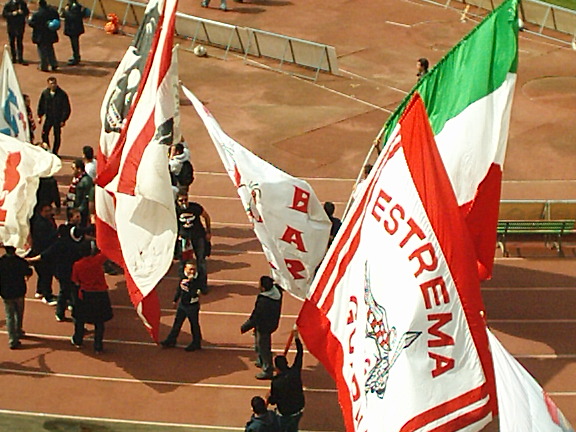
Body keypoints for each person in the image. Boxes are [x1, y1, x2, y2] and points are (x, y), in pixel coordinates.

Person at [71, 241, 113, 353]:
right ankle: (98, 346)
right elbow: (107, 252)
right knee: (99, 322)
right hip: (100, 294)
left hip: (85, 294)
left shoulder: (77, 265)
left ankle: (78, 340)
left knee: (80, 319)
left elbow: (75, 281)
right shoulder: (97, 261)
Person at [241, 276, 283, 380]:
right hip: (271, 322)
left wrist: (245, 327)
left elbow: (256, 316)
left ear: (263, 288)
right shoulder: (277, 293)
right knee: (259, 343)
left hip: (264, 326)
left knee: (263, 346)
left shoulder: (264, 301)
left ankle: (267, 369)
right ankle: (260, 360)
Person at [160, 261, 205, 351]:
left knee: (194, 324)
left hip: (192, 306)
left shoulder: (198, 280)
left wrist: (190, 283)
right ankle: (171, 340)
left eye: (194, 269)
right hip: (182, 304)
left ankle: (196, 342)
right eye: (190, 269)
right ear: (185, 269)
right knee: (177, 323)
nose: (192, 271)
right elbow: (179, 289)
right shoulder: (183, 277)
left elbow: (197, 293)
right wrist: (175, 300)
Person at [268, 330, 305, 432]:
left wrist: (269, 398)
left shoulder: (276, 382)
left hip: (285, 412)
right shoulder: (295, 371)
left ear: (276, 368)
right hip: (298, 408)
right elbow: (300, 353)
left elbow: (273, 400)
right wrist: (296, 338)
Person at [176, 195, 211, 293]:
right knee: (183, 262)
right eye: (181, 200)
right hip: (184, 239)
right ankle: (184, 284)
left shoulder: (195, 207)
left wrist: (208, 231)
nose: (183, 202)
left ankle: (202, 285)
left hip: (198, 237)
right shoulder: (175, 210)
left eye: (185, 199)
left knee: (201, 261)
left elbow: (206, 216)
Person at [0, 245, 33, 349]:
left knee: (9, 316)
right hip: (19, 291)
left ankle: (12, 339)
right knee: (19, 313)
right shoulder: (20, 262)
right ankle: (18, 330)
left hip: (6, 293)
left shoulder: (1, 262)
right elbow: (29, 271)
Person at [29, 203, 58, 305]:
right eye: (46, 211)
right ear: (41, 211)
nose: (49, 213)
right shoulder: (40, 224)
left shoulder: (45, 220)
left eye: (50, 210)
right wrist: (57, 234)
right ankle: (47, 296)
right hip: (42, 251)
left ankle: (40, 290)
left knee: (42, 274)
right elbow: (43, 239)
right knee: (46, 273)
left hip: (41, 251)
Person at [38, 76, 71, 156]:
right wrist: (40, 115)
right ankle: (47, 150)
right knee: (44, 134)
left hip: (57, 119)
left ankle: (55, 152)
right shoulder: (45, 93)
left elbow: (66, 108)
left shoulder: (62, 94)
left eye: (54, 83)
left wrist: (63, 120)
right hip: (48, 118)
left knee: (57, 136)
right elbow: (41, 104)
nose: (53, 85)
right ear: (48, 84)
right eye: (51, 84)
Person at [28, 0, 60, 72]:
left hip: (40, 35)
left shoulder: (37, 14)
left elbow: (32, 24)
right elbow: (57, 19)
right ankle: (53, 64)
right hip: (50, 34)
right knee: (50, 49)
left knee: (42, 51)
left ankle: (44, 66)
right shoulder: (52, 11)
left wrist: (29, 20)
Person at [65, 159, 93, 226]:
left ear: (79, 169)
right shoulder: (76, 179)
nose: (72, 171)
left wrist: (79, 210)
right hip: (72, 208)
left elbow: (87, 197)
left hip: (79, 212)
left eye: (74, 168)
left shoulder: (86, 181)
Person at [2, 0, 29, 64]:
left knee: (19, 42)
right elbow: (4, 14)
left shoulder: (22, 3)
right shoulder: (8, 4)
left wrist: (22, 12)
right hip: (11, 26)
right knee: (12, 42)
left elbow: (27, 12)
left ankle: (20, 58)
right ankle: (13, 58)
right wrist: (12, 14)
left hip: (20, 26)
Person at [61, 0, 87, 65]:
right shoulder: (74, 5)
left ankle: (76, 58)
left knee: (74, 43)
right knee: (74, 43)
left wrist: (65, 12)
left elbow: (73, 17)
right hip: (74, 28)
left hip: (74, 29)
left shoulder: (75, 6)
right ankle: (76, 56)